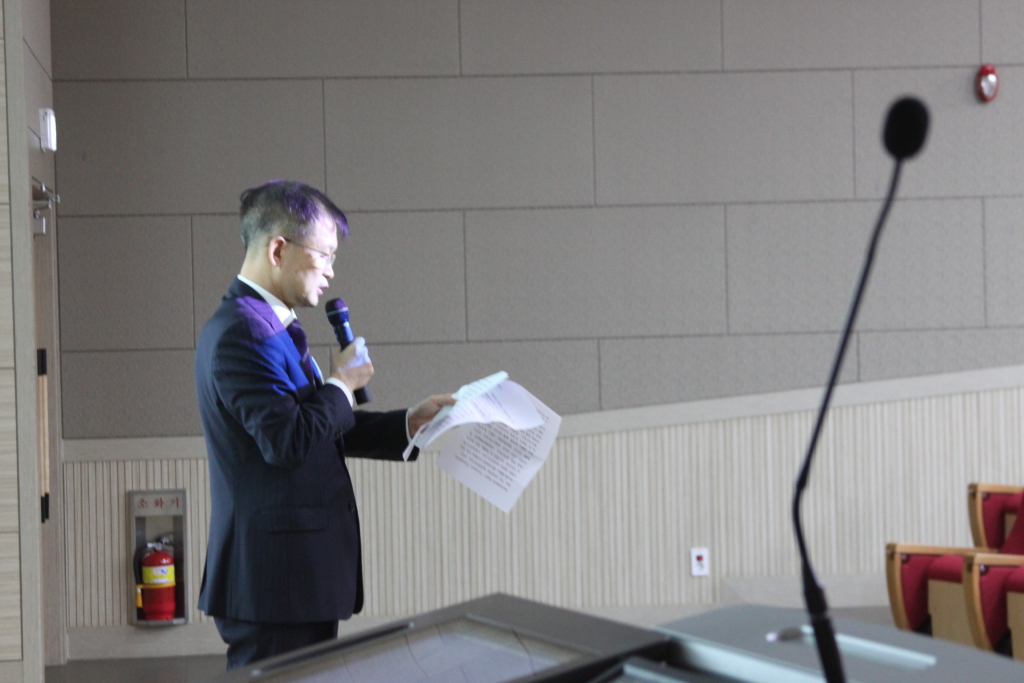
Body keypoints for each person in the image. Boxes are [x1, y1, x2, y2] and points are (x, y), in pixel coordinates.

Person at [194, 180, 454, 669]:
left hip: (293, 578)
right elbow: (287, 440)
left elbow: (316, 427)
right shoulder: (243, 334)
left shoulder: (270, 326)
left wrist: (408, 424)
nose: (332, 271)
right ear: (278, 249)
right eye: (325, 255)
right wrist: (341, 383)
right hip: (275, 580)